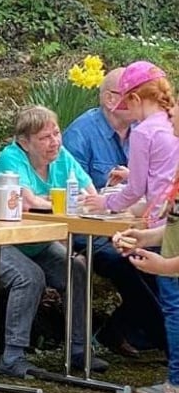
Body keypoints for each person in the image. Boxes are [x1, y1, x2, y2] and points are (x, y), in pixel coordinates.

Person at [0, 106, 109, 378]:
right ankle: (12, 357)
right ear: (24, 142)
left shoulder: (62, 157)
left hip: (36, 240)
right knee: (30, 276)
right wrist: (61, 203)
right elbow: (29, 203)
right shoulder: (11, 159)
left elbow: (91, 194)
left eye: (56, 133)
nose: (55, 142)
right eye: (45, 137)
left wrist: (80, 201)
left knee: (77, 268)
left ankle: (79, 350)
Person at [63, 67, 164, 356]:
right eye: (132, 95)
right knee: (126, 260)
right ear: (110, 99)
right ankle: (168, 343)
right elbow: (73, 191)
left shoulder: (142, 132)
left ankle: (120, 330)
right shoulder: (81, 134)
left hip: (134, 223)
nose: (138, 100)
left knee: (163, 253)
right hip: (90, 231)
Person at [106, 61, 179, 393]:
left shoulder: (146, 132)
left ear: (135, 98)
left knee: (172, 305)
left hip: (163, 223)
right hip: (166, 219)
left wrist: (100, 204)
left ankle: (175, 380)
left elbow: (135, 190)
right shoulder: (165, 125)